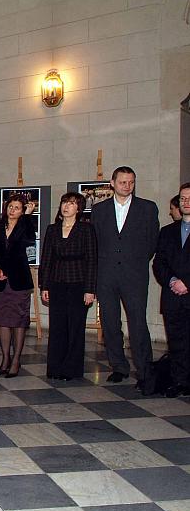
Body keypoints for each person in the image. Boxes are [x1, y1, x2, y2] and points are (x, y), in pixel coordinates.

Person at [91, 166, 159, 390]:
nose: (127, 186)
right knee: (110, 323)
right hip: (106, 275)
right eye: (122, 182)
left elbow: (152, 242)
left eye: (131, 182)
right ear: (112, 183)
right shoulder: (99, 210)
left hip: (134, 275)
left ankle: (144, 369)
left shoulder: (147, 208)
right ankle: (118, 367)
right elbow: (96, 242)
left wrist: (134, 261)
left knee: (138, 323)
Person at [39, 192, 97, 381]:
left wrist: (90, 289)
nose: (66, 206)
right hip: (56, 282)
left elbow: (92, 260)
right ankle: (55, 368)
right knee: (57, 327)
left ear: (78, 208)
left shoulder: (86, 229)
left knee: (75, 327)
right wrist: (44, 285)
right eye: (65, 202)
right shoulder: (52, 229)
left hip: (78, 283)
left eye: (71, 203)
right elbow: (46, 258)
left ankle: (71, 369)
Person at [0, 194, 36, 378]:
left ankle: (16, 360)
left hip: (18, 280)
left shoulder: (25, 225)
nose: (12, 210)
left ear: (22, 210)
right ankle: (5, 358)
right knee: (2, 320)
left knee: (18, 321)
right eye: (10, 206)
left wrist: (27, 217)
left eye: (17, 207)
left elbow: (29, 242)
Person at [153, 183, 190, 397]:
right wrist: (173, 281)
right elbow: (159, 263)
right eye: (183, 198)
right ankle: (179, 382)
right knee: (176, 342)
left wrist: (187, 283)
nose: (186, 202)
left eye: (189, 198)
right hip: (172, 296)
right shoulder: (168, 232)